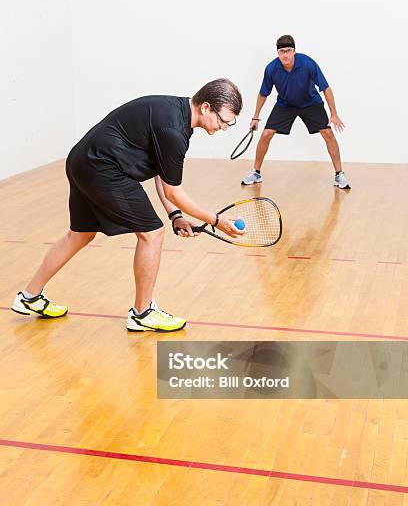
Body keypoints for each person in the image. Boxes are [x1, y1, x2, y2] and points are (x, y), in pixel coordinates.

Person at [12, 79, 243, 332]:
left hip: (81, 160)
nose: (224, 127)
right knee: (152, 234)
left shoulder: (174, 112)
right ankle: (142, 313)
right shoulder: (174, 132)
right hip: (103, 169)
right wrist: (216, 221)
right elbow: (173, 191)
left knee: (80, 234)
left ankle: (29, 296)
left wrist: (175, 215)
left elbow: (161, 172)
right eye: (224, 120)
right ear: (206, 107)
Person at [241, 35, 350, 189]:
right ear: (278, 53)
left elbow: (325, 87)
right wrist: (255, 117)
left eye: (288, 50)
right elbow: (263, 93)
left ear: (294, 51)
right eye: (282, 51)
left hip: (311, 102)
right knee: (266, 134)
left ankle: (339, 175)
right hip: (286, 104)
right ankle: (256, 172)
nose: (285, 54)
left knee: (328, 134)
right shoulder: (271, 68)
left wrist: (334, 113)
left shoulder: (308, 63)